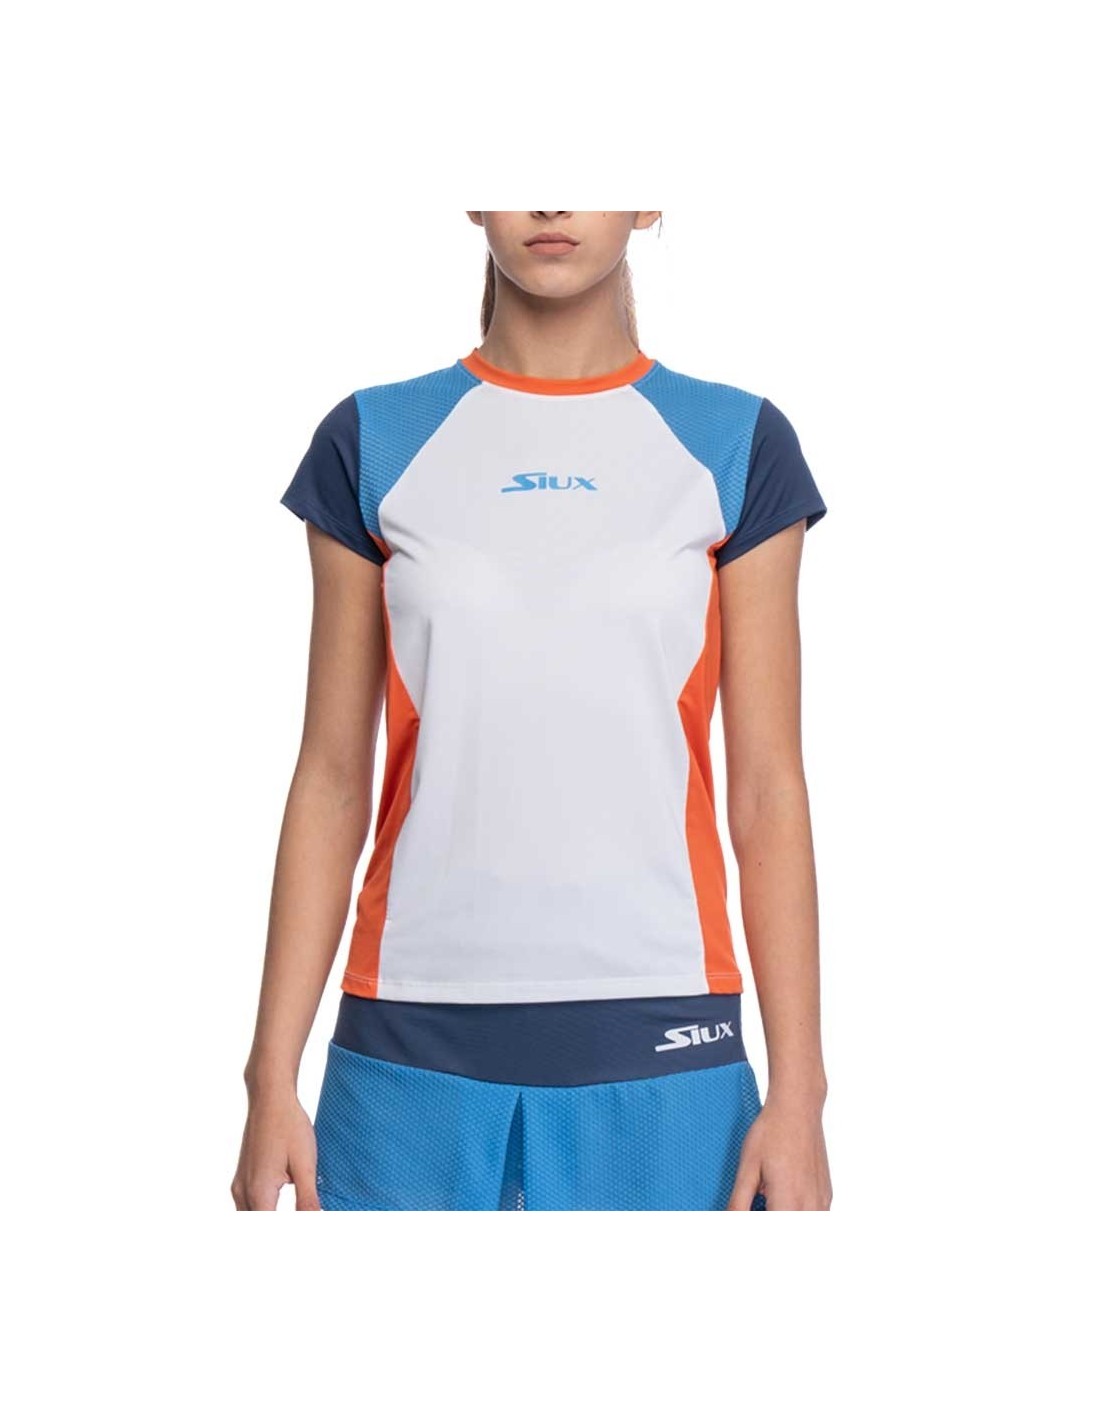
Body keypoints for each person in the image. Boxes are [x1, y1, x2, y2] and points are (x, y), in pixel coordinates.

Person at [231, 211, 833, 1211]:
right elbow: (331, 778)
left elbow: (768, 789)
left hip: (666, 1048)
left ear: (647, 199)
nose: (551, 200)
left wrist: (801, 1096)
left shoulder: (735, 443)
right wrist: (269, 1080)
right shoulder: (374, 438)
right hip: (406, 1048)